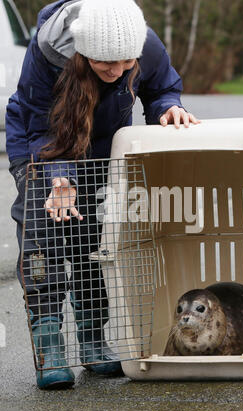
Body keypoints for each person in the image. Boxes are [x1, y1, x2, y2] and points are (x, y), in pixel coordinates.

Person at [6, 0, 200, 390]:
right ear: (81, 54)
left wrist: (168, 108)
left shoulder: (144, 43)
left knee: (94, 241)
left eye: (125, 63)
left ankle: (93, 342)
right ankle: (49, 347)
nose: (116, 72)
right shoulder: (47, 53)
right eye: (104, 63)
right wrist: (59, 180)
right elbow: (41, 123)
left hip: (100, 150)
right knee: (45, 237)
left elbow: (162, 87)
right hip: (39, 147)